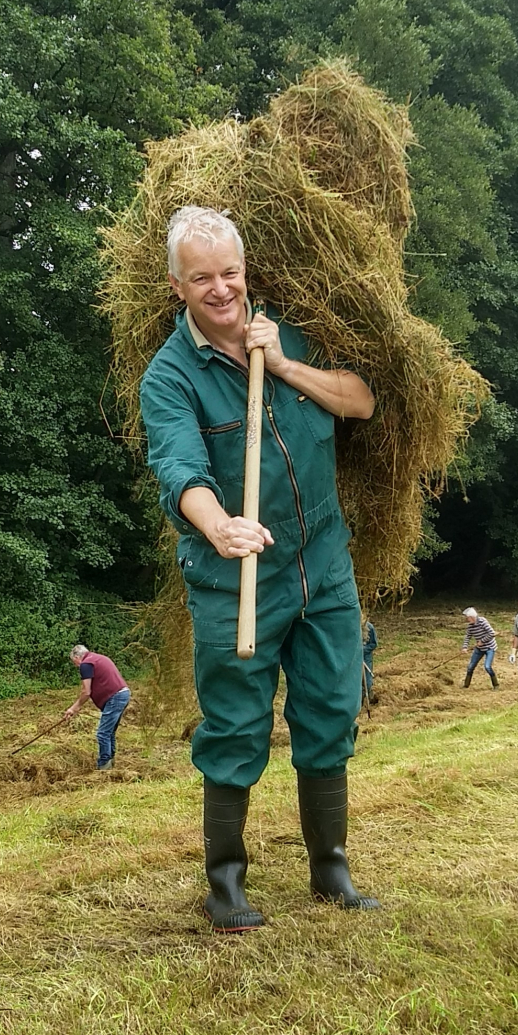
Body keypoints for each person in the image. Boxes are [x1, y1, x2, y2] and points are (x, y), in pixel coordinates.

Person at [140, 206, 380, 932]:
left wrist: (281, 364)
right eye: (202, 279)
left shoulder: (292, 331)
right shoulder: (170, 376)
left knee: (332, 708)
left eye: (231, 273)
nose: (221, 290)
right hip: (234, 576)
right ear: (177, 285)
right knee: (236, 727)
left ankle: (331, 869)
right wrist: (220, 525)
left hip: (323, 563)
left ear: (246, 271)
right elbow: (178, 468)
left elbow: (361, 402)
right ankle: (226, 885)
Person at [64, 645, 130, 770]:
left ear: (77, 657)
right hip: (123, 694)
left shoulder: (86, 664)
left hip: (115, 697)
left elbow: (86, 691)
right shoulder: (98, 658)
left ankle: (104, 766)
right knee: (109, 732)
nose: (76, 666)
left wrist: (74, 708)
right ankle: (110, 762)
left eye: (74, 662)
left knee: (103, 733)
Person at [461, 607, 498, 689]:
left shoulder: (482, 621)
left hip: (489, 647)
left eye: (467, 618)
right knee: (470, 667)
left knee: (487, 667)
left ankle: (496, 685)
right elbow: (467, 637)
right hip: (479, 649)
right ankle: (466, 685)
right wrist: (464, 647)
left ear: (472, 617)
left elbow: (492, 633)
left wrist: (482, 641)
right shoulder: (470, 626)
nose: (467, 620)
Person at [362, 617, 378, 704]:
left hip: (366, 657)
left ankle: (369, 697)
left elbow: (374, 644)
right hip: (354, 658)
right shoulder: (351, 626)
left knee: (367, 682)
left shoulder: (369, 627)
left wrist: (362, 650)